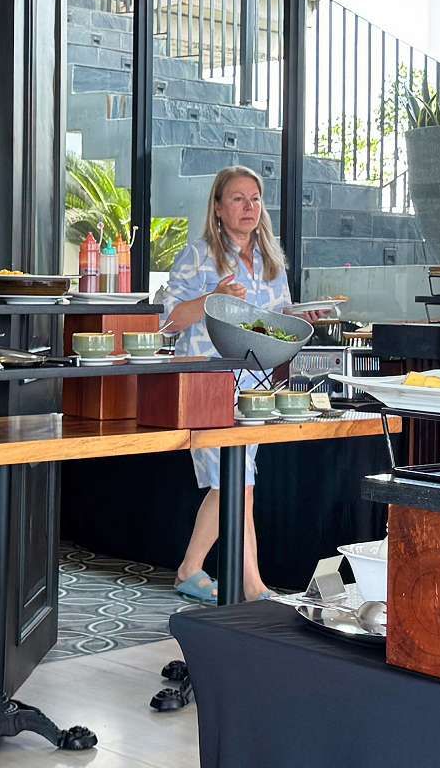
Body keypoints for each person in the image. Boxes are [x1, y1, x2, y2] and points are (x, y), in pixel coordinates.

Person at [161, 164, 290, 602]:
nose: (249, 206)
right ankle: (251, 585)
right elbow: (168, 322)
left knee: (238, 480)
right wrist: (210, 300)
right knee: (237, 481)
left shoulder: (272, 260)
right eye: (237, 198)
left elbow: (277, 320)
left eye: (254, 198)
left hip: (254, 386)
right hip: (206, 384)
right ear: (217, 207)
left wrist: (301, 317)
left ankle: (191, 569)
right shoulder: (197, 255)